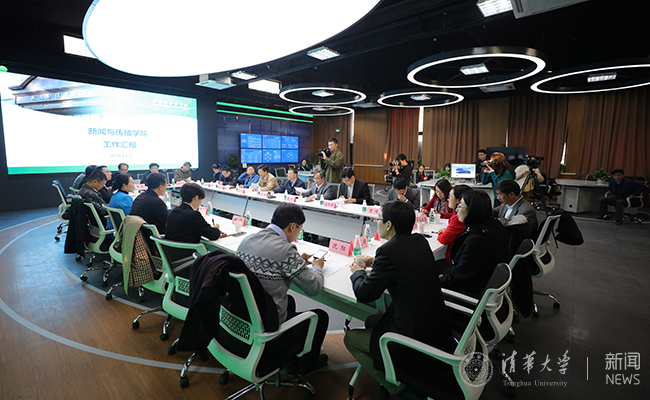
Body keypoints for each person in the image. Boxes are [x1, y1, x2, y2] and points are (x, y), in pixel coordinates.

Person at [345, 201, 456, 398]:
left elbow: (365, 293)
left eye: (379, 220)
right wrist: (376, 263)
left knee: (350, 339)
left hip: (414, 335)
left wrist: (358, 272)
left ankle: (396, 387)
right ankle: (391, 368)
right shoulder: (420, 241)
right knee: (371, 320)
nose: (377, 223)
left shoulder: (387, 251)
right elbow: (404, 264)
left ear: (389, 225)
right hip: (437, 326)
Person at [236, 203, 329, 376]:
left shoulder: (248, 240)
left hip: (242, 317)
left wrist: (297, 261)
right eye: (300, 228)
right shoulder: (285, 249)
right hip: (266, 325)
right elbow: (314, 288)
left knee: (290, 301)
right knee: (320, 316)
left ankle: (290, 360)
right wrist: (317, 267)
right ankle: (306, 365)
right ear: (292, 226)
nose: (299, 232)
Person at [439, 190, 510, 299]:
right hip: (481, 283)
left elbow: (459, 279)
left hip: (469, 294)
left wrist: (438, 280)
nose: (457, 210)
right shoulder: (494, 226)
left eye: (460, 206)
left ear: (471, 210)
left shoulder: (477, 241)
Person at [436, 184, 473, 266]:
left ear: (459, 200)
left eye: (450, 196)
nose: (448, 199)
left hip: (454, 261)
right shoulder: (464, 214)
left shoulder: (458, 218)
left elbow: (444, 239)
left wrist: (441, 233)